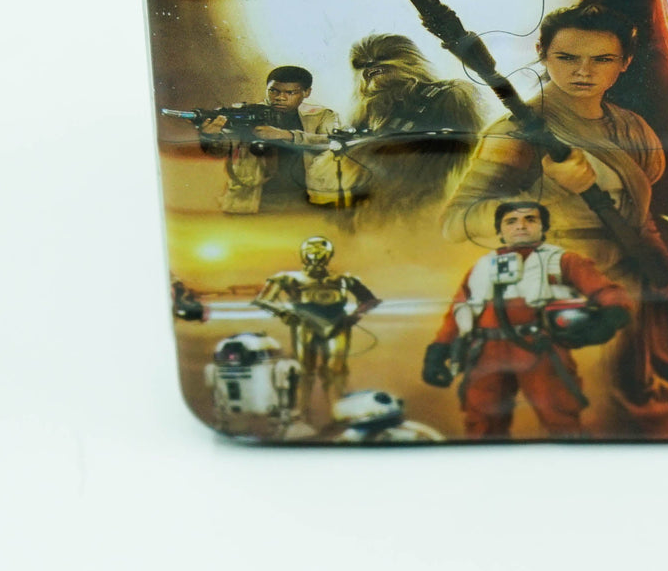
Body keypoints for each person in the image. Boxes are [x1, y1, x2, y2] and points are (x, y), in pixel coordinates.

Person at [443, 4, 668, 302]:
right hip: (551, 294)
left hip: (629, 292)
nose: (583, 71)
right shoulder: (513, 132)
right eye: (567, 58)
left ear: (625, 62)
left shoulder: (632, 129)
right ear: (542, 53)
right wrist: (550, 195)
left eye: (602, 59)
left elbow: (636, 219)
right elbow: (456, 223)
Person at [423, 201, 631, 438]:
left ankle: (573, 457)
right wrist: (438, 350)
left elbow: (610, 293)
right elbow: (459, 310)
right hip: (485, 353)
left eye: (530, 219)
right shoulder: (481, 267)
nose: (520, 226)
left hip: (540, 349)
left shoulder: (562, 261)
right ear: (500, 231)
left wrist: (610, 318)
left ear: (543, 227)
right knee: (481, 422)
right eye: (511, 221)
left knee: (561, 419)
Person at [339, 34, 483, 223]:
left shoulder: (447, 96)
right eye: (362, 64)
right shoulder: (364, 114)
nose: (370, 66)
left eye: (381, 58)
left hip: (429, 200)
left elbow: (466, 157)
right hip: (374, 207)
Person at [252, 236, 381, 414]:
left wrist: (356, 315)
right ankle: (301, 412)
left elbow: (370, 300)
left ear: (328, 256)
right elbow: (263, 300)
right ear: (304, 255)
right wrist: (283, 313)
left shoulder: (343, 279)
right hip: (305, 325)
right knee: (303, 370)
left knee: (336, 370)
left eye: (320, 253)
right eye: (311, 253)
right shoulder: (288, 278)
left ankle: (339, 411)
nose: (316, 258)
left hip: (337, 325)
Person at [199, 65, 339, 214]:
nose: (280, 97)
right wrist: (211, 136)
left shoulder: (321, 115)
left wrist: (286, 135)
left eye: (290, 92)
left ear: (307, 92)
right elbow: (220, 151)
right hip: (255, 198)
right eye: (273, 91)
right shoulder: (249, 113)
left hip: (307, 196)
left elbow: (334, 143)